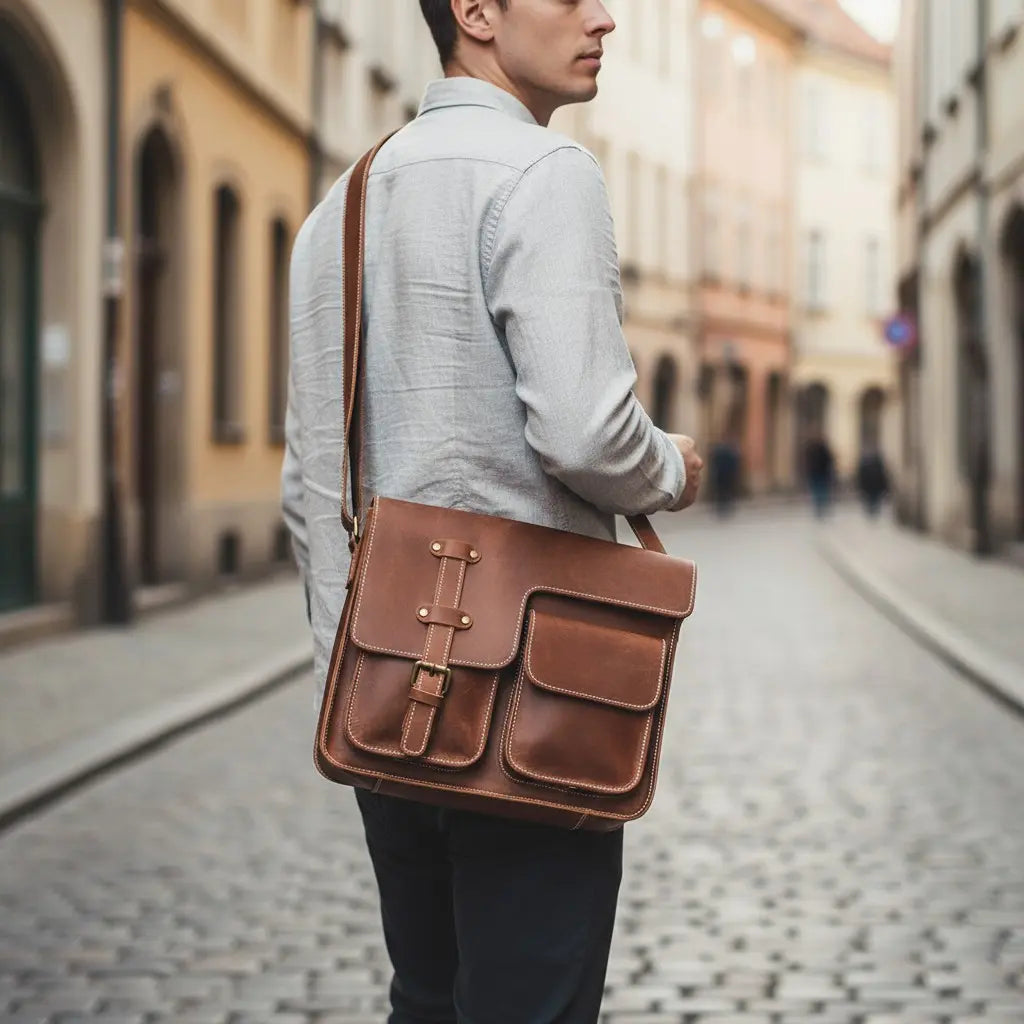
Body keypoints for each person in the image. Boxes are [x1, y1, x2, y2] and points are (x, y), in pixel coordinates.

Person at [281, 2, 704, 1020]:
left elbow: (310, 486)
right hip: (537, 699)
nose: (603, 17)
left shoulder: (337, 207)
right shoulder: (542, 175)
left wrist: (351, 669)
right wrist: (675, 467)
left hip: (379, 699)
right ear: (476, 13)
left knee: (427, 997)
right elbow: (587, 435)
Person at [804, 433, 835, 518]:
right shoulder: (823, 450)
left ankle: (819, 507)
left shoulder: (812, 450)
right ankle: (821, 506)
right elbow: (830, 462)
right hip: (820, 474)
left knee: (818, 491)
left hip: (817, 474)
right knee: (821, 491)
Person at [856, 445, 889, 518]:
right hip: (874, 486)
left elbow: (862, 476)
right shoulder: (877, 464)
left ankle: (872, 510)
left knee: (872, 498)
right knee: (874, 498)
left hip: (871, 486)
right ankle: (873, 510)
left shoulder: (865, 464)